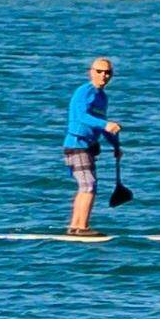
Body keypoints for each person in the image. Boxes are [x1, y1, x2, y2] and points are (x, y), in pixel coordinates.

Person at [63, 57, 122, 235]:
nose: (103, 76)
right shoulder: (84, 92)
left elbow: (100, 123)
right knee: (88, 185)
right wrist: (106, 125)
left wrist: (115, 146)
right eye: (99, 71)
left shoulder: (103, 97)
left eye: (108, 73)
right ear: (91, 72)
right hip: (76, 144)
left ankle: (74, 227)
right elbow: (81, 117)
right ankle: (82, 228)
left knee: (87, 186)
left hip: (88, 147)